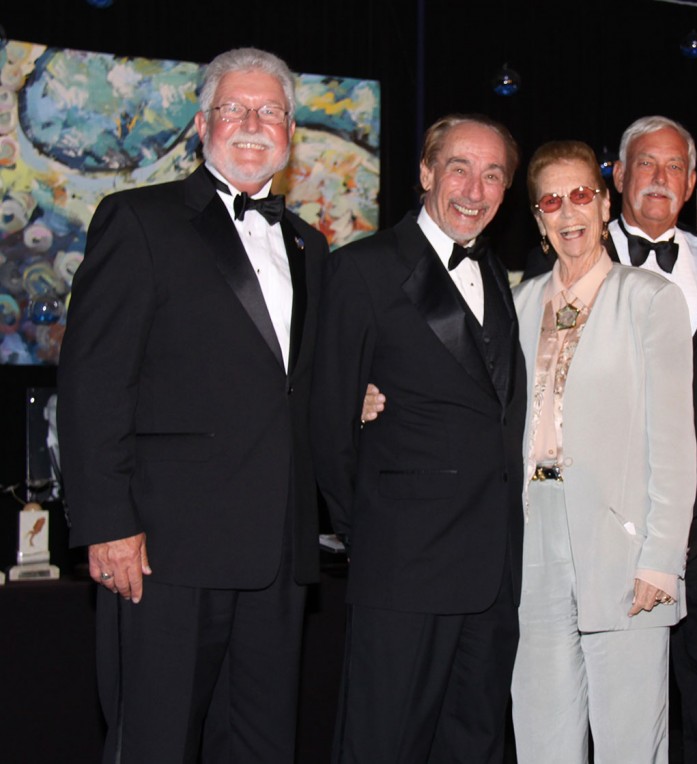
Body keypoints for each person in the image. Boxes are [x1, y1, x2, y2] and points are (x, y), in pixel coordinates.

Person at [57, 47, 328, 762]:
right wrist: (107, 523)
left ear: (291, 133)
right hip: (165, 552)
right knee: (157, 743)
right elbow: (92, 381)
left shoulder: (310, 246)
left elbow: (295, 381)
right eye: (235, 108)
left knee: (263, 746)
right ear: (202, 123)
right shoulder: (138, 220)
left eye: (269, 111)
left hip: (278, 555)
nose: (251, 123)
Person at [509, 115, 697, 763]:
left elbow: (676, 440)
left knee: (629, 745)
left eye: (580, 195)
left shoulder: (650, 297)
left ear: (602, 199)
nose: (569, 212)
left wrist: (660, 558)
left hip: (625, 548)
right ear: (537, 218)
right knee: (541, 738)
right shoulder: (517, 304)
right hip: (535, 545)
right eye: (552, 200)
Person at [311, 114, 527, 763]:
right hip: (404, 565)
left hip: (492, 569)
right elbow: (328, 424)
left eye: (493, 174)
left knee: (475, 742)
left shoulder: (496, 274)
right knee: (385, 744)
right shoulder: (363, 270)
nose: (474, 187)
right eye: (459, 167)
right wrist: (371, 531)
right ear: (427, 173)